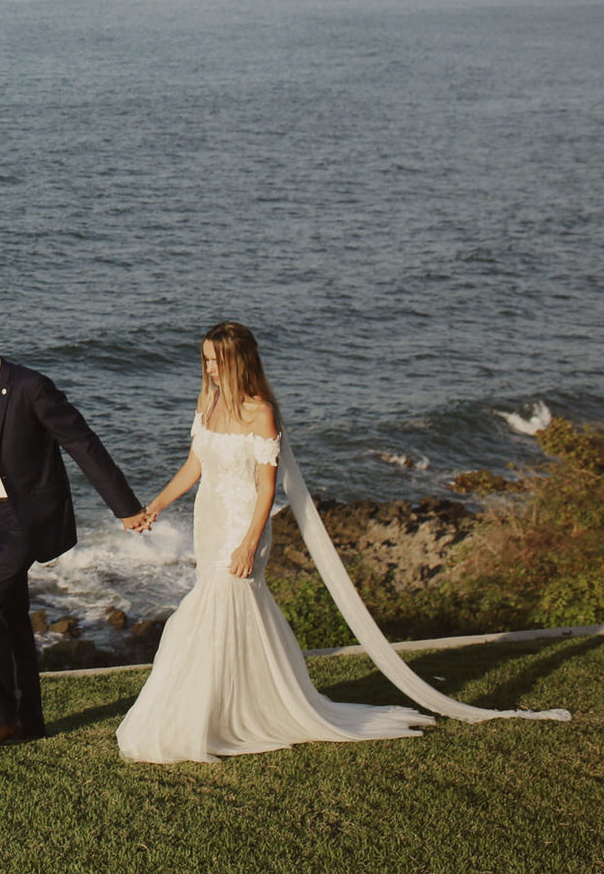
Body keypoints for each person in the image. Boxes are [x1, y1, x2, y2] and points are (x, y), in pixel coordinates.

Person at [115, 321, 567, 763]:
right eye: (206, 361)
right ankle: (232, 707)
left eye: (216, 362)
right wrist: (154, 506)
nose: (209, 369)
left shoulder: (261, 411)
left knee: (213, 609)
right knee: (224, 613)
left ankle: (216, 714)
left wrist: (250, 542)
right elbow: (196, 466)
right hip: (210, 521)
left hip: (243, 524)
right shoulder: (207, 403)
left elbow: (268, 489)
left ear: (239, 361)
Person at [0, 306, 148, 747]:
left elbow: (82, 442)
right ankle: (31, 721)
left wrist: (125, 507)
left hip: (25, 518)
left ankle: (1, 716)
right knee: (10, 616)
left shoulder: (30, 387)